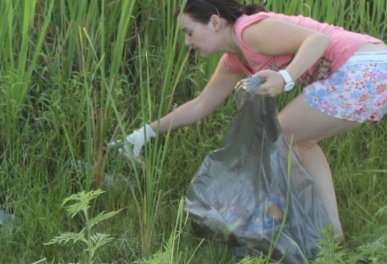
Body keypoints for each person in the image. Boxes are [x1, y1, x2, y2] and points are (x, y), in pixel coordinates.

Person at [124, 0, 387, 243]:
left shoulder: (248, 31)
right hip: (373, 71)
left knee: (277, 135)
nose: (186, 42)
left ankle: (282, 223)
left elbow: (318, 40)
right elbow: (201, 105)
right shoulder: (235, 59)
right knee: (301, 143)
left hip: (365, 66)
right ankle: (333, 234)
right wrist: (145, 132)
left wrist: (285, 77)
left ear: (215, 23)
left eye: (189, 32)